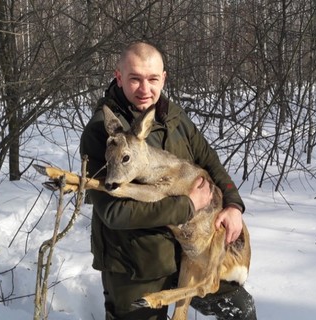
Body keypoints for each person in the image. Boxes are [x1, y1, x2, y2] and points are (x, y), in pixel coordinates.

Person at [80, 41, 257, 320]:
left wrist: (233, 205)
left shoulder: (173, 117)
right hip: (136, 264)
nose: (144, 89)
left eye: (152, 79)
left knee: (241, 309)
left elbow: (209, 161)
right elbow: (115, 212)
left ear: (163, 78)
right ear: (119, 77)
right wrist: (186, 206)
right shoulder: (105, 132)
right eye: (135, 79)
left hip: (189, 254)